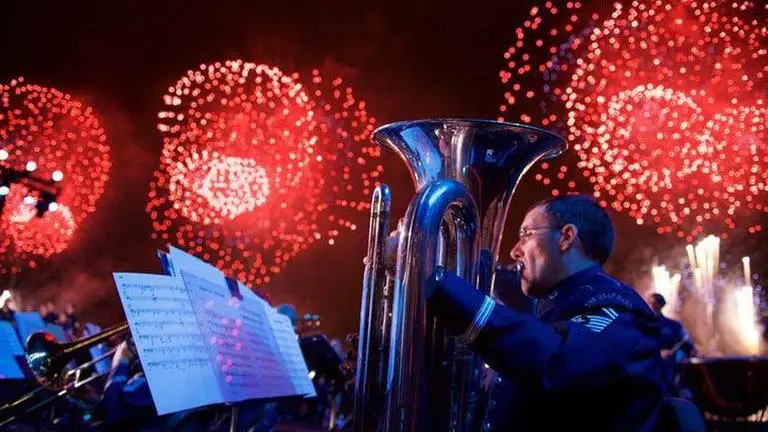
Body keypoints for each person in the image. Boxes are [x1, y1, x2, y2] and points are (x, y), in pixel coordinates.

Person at [423, 194, 674, 430]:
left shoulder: (616, 305)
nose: (514, 251)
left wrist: (433, 278)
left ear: (565, 238)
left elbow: (558, 360)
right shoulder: (562, 306)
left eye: (526, 234)